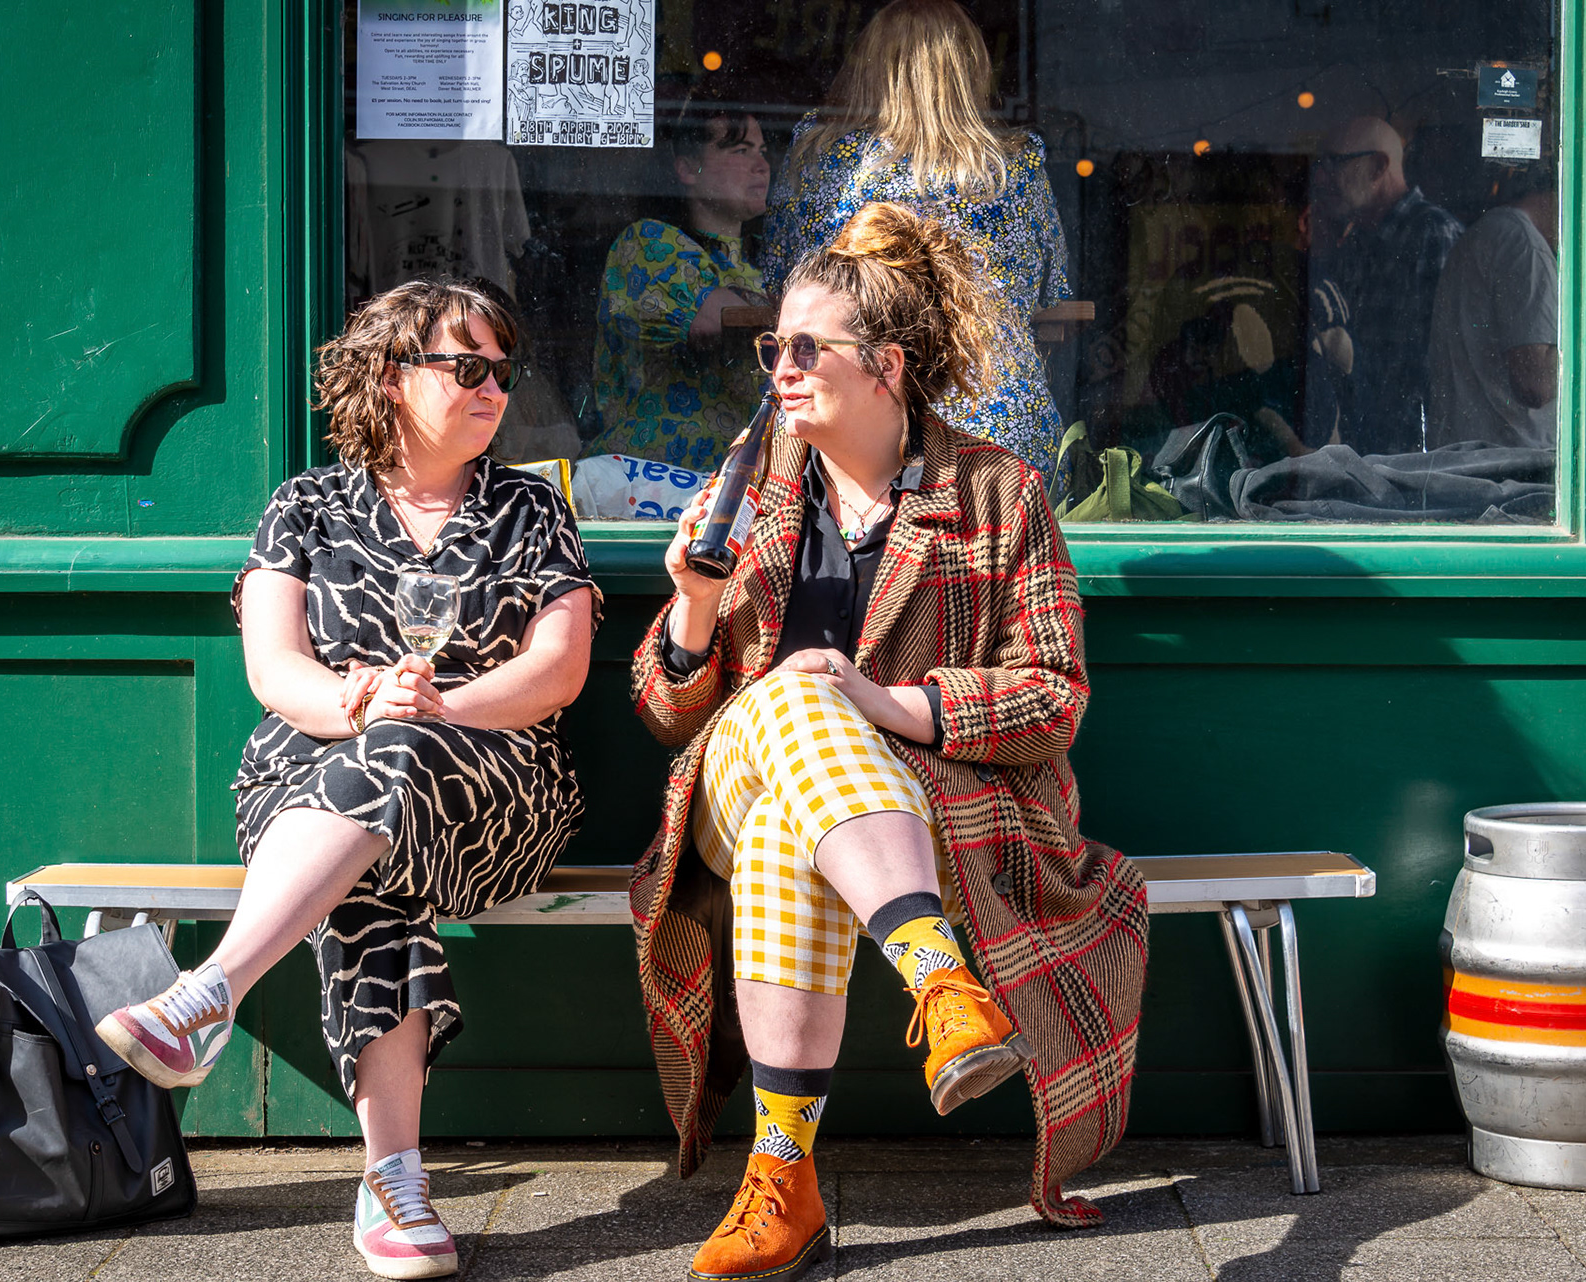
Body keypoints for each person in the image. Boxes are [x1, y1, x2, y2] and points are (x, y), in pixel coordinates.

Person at [629, 203, 1148, 1282]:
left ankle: (783, 1179)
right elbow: (667, 712)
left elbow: (1054, 697)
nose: (780, 368)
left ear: (887, 367)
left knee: (785, 830)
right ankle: (940, 982)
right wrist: (692, 605)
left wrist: (882, 699)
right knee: (790, 701)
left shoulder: (996, 491)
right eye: (774, 348)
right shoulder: (751, 483)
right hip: (737, 777)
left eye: (805, 347)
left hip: (931, 815)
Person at [96, 279, 601, 1280]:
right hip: (310, 781)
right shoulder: (306, 506)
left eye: (502, 370)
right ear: (390, 375)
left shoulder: (531, 507)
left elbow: (561, 667)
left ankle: (212, 993)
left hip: (496, 791)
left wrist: (439, 709)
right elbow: (275, 669)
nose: (493, 388)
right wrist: (363, 706)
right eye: (467, 367)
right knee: (370, 853)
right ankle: (395, 1188)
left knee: (392, 779)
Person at [759, 0, 1073, 482]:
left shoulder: (820, 159)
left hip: (865, 417)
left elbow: (783, 282)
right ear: (970, 69)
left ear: (867, 67)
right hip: (1003, 420)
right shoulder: (1014, 165)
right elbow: (1051, 290)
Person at [585, 85, 773, 472]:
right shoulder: (647, 243)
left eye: (762, 150)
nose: (761, 165)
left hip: (746, 478)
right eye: (740, 150)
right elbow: (715, 318)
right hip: (653, 480)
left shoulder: (768, 260)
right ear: (687, 169)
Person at [1306, 116, 1464, 454]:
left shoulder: (1431, 234)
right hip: (1362, 452)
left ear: (1379, 166)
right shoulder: (1355, 241)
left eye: (1334, 163)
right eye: (1320, 165)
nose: (1320, 177)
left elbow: (1437, 367)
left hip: (1410, 459)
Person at [1426, 181, 1558, 450]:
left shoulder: (1487, 234)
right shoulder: (1525, 247)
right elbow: (1536, 384)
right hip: (1511, 461)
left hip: (1467, 454)